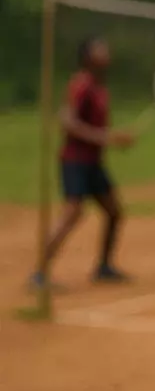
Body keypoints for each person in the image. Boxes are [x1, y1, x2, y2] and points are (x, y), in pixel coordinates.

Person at [32, 36, 134, 288]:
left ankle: (103, 267)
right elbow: (67, 121)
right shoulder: (82, 85)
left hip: (93, 163)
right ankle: (39, 273)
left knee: (114, 211)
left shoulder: (100, 87)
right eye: (101, 48)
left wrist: (109, 139)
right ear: (88, 56)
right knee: (72, 212)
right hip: (75, 162)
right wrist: (107, 138)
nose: (106, 52)